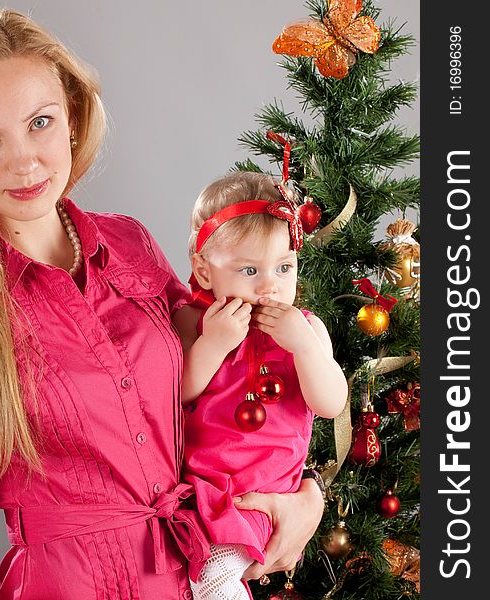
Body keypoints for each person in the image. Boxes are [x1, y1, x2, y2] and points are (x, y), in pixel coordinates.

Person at [0, 8, 326, 600]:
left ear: (74, 120)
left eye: (40, 122)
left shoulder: (128, 244)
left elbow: (226, 388)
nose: (24, 161)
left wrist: (304, 495)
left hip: (191, 577)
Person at [173, 172, 348, 599]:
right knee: (203, 579)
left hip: (264, 498)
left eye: (284, 267)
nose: (270, 285)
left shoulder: (306, 329)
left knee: (215, 579)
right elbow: (176, 396)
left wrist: (305, 349)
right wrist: (213, 346)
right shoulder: (194, 323)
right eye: (249, 270)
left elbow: (331, 403)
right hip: (205, 493)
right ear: (204, 270)